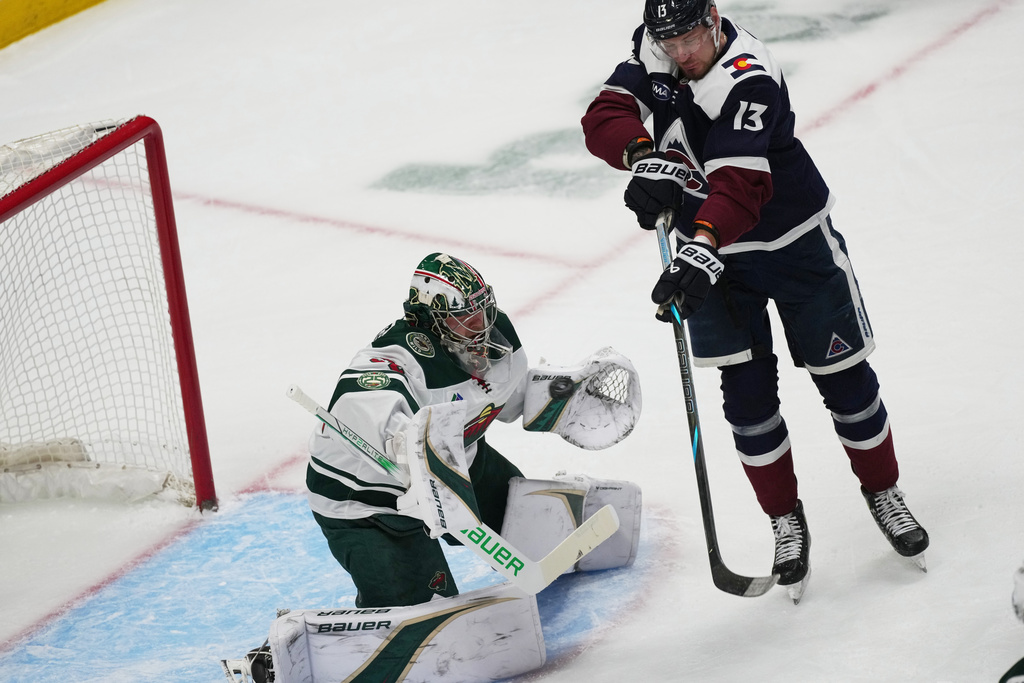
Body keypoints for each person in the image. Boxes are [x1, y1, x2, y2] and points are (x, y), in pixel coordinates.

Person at [581, 0, 928, 601]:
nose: (682, 54)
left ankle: (883, 491)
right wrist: (645, 159)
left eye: (691, 37)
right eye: (670, 42)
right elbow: (606, 113)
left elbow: (739, 186)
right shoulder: (657, 49)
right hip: (711, 251)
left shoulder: (749, 78)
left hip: (792, 246)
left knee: (843, 377)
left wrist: (702, 245)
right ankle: (784, 518)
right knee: (745, 398)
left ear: (714, 19)